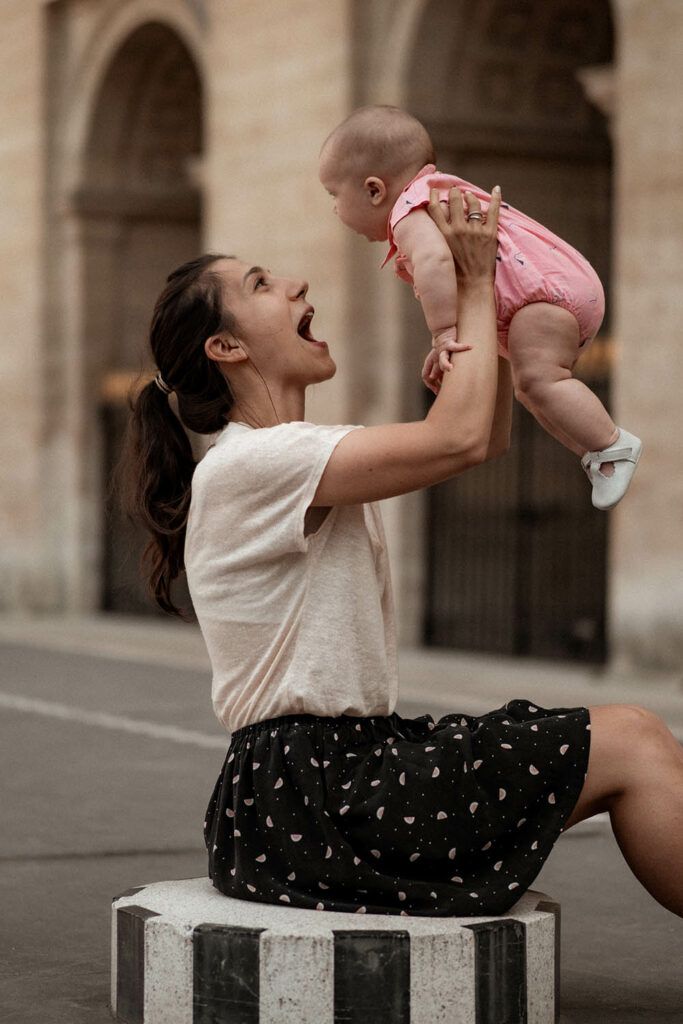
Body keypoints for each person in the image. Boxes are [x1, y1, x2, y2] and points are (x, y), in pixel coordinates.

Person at [117, 188, 683, 919]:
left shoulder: (282, 458)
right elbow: (459, 438)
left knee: (625, 737)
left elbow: (482, 437)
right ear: (225, 348)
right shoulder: (254, 463)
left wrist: (492, 323)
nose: (296, 284)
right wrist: (476, 285)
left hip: (321, 786)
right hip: (321, 793)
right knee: (633, 739)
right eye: (261, 284)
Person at [318, 104, 642, 511]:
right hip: (553, 289)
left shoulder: (408, 212)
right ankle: (597, 454)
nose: (333, 208)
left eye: (334, 194)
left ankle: (613, 445)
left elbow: (434, 262)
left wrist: (443, 334)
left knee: (542, 382)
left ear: (373, 190)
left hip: (541, 295)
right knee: (532, 386)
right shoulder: (435, 194)